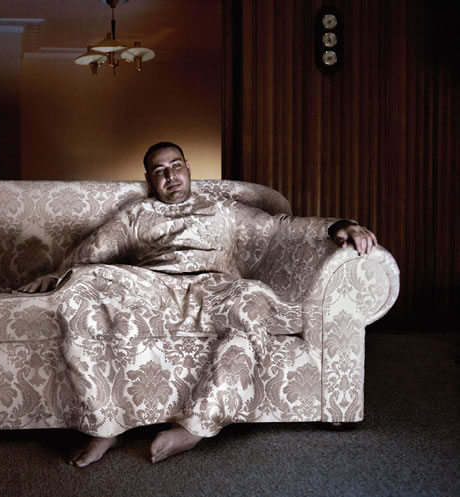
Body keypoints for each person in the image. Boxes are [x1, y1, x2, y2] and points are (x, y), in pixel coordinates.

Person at [19, 142, 378, 467]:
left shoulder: (223, 209)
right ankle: (105, 427)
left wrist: (341, 226)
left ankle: (198, 426)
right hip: (156, 288)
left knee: (251, 302)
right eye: (160, 171)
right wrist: (57, 275)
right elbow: (94, 250)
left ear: (188, 167)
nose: (170, 176)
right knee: (83, 284)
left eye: (176, 166)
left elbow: (281, 228)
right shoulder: (137, 213)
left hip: (215, 289)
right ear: (149, 179)